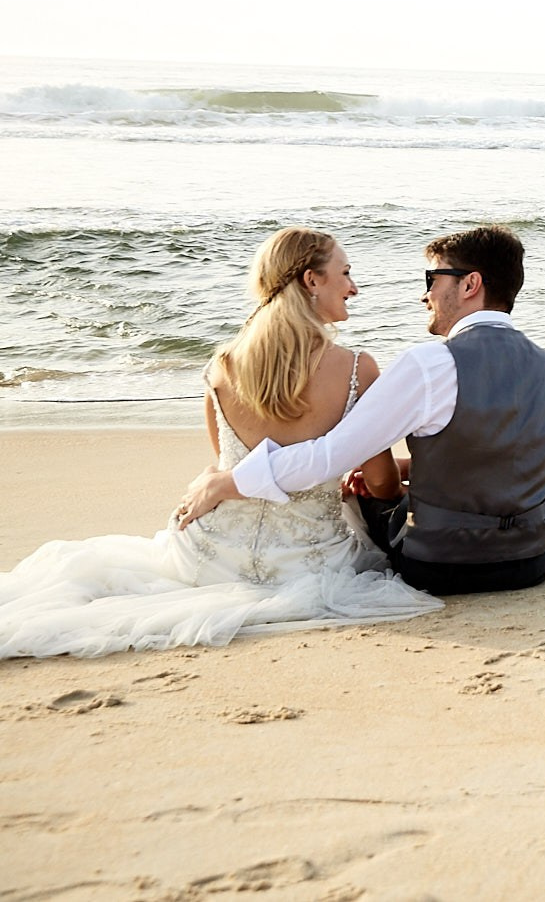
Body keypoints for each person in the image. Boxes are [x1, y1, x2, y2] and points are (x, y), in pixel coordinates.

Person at [0, 228, 440, 660]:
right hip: (312, 565)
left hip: (207, 558)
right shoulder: (356, 368)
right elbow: (381, 482)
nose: (354, 287)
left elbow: (225, 461)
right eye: (345, 273)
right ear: (312, 280)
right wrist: (377, 485)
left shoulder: (223, 363)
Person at [175, 225, 545, 597]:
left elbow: (327, 457)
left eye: (433, 279)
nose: (425, 293)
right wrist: (419, 464)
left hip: (438, 568)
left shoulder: (428, 365)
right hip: (532, 564)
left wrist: (229, 482)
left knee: (369, 489)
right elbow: (518, 451)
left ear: (470, 285)